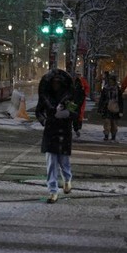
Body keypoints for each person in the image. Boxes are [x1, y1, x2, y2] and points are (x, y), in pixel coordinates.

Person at [35, 69, 76, 204]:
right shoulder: (46, 97)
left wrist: (67, 114)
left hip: (64, 131)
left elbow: (74, 113)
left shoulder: (68, 98)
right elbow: (39, 111)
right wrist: (44, 121)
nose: (56, 85)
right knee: (51, 163)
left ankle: (67, 180)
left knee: (64, 161)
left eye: (58, 82)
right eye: (54, 82)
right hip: (50, 131)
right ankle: (53, 191)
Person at [98, 75, 123, 141]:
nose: (110, 82)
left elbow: (120, 100)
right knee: (107, 122)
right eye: (109, 81)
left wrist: (121, 111)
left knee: (114, 123)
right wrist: (100, 108)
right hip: (106, 107)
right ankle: (106, 135)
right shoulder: (105, 89)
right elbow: (102, 99)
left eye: (112, 81)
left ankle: (113, 135)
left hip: (115, 107)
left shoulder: (117, 89)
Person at [72, 72, 89, 137]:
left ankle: (77, 126)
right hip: (77, 101)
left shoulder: (81, 82)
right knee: (77, 114)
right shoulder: (76, 83)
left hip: (77, 101)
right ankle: (76, 127)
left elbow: (86, 89)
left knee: (77, 113)